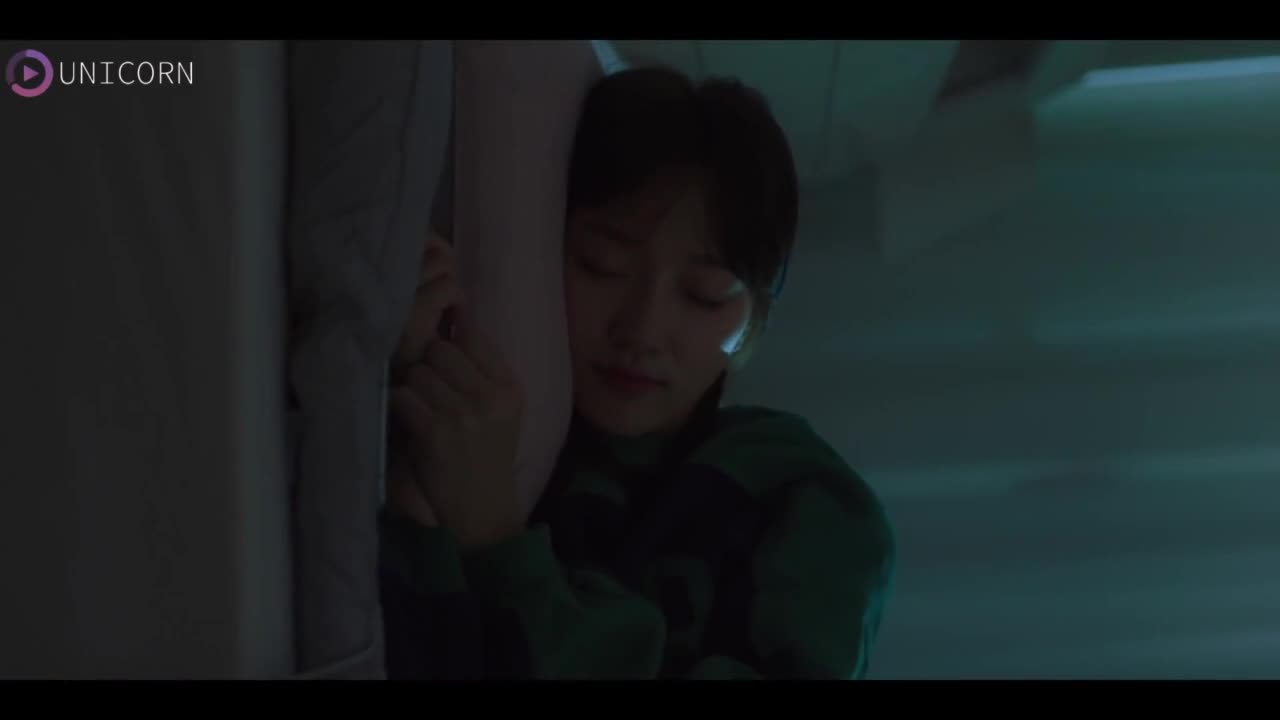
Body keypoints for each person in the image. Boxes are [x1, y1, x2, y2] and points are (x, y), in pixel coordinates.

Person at [378, 65, 896, 680]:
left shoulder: (804, 500)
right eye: (601, 266)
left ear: (754, 324)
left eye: (703, 295)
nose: (642, 329)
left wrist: (492, 532)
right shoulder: (501, 409)